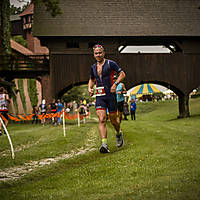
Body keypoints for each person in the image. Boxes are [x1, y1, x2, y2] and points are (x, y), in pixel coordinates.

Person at [88, 44, 126, 153]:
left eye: (100, 53)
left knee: (114, 121)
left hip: (110, 95)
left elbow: (122, 74)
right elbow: (91, 79)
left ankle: (118, 133)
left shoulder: (111, 63)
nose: (98, 55)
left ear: (103, 53)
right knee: (102, 119)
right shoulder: (93, 67)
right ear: (94, 55)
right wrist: (90, 88)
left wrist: (115, 84)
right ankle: (104, 144)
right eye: (96, 53)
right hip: (100, 96)